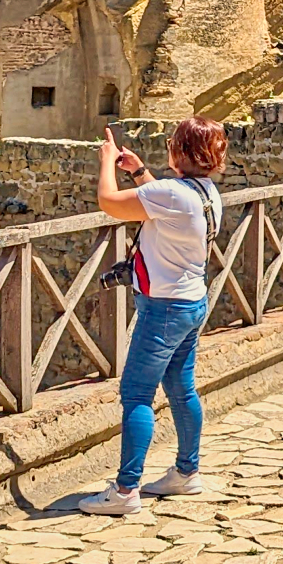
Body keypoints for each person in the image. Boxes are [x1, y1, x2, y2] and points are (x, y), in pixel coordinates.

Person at [76, 116, 228, 516]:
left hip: (163, 308)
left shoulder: (174, 194)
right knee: (182, 388)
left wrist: (107, 162)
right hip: (192, 302)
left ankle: (126, 490)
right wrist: (140, 171)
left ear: (179, 152)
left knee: (137, 395)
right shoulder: (206, 192)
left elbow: (110, 203)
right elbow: (161, 203)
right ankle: (186, 472)